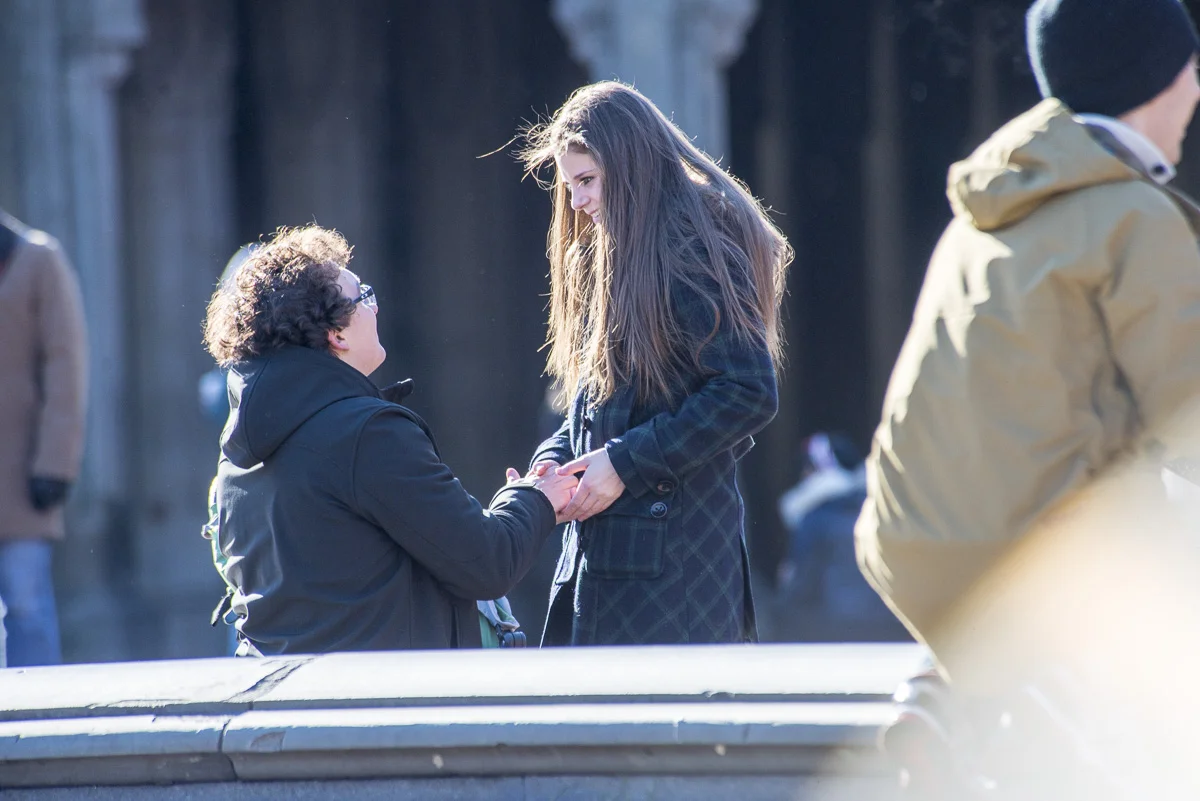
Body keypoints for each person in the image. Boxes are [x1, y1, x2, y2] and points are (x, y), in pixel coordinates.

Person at [856, 0, 1200, 688]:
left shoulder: (982, 216)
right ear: (1156, 79)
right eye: (1192, 69)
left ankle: (968, 695)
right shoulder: (1135, 218)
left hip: (913, 550)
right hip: (1045, 568)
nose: (1197, 90)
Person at [202, 224, 577, 655]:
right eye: (363, 296)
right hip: (389, 710)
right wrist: (535, 497)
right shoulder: (366, 434)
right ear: (336, 334)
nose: (376, 308)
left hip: (292, 708)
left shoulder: (235, 456)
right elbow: (488, 562)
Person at [517, 81, 792, 646]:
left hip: (678, 579)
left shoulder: (691, 248)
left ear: (631, 167)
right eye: (569, 186)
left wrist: (622, 464)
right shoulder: (612, 248)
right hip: (610, 565)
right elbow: (595, 405)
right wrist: (553, 465)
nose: (576, 203)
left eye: (587, 181)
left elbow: (748, 391)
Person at [0, 210, 87, 667]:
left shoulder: (37, 260)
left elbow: (65, 364)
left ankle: (34, 724)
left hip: (20, 476)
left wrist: (55, 464)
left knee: (26, 605)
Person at [775, 432, 907, 642]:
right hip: (894, 628)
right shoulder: (887, 508)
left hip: (835, 632)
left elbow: (799, 589)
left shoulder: (815, 518)